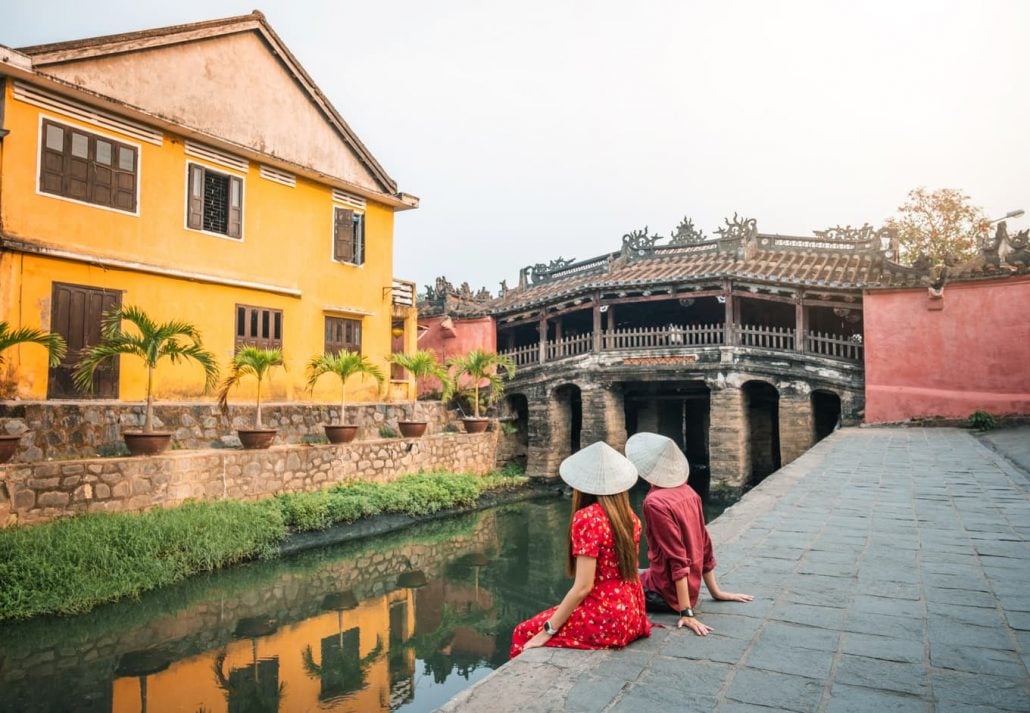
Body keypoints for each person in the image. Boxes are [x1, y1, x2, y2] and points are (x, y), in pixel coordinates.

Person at [509, 441, 652, 658]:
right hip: (633, 614)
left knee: (523, 632)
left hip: (606, 619)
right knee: (554, 613)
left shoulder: (588, 518)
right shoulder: (630, 517)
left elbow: (583, 587)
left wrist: (547, 631)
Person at [626, 432, 753, 636]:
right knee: (637, 572)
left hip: (665, 593)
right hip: (679, 585)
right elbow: (704, 544)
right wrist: (715, 592)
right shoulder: (689, 492)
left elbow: (676, 557)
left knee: (608, 585)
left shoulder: (655, 503)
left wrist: (686, 612)